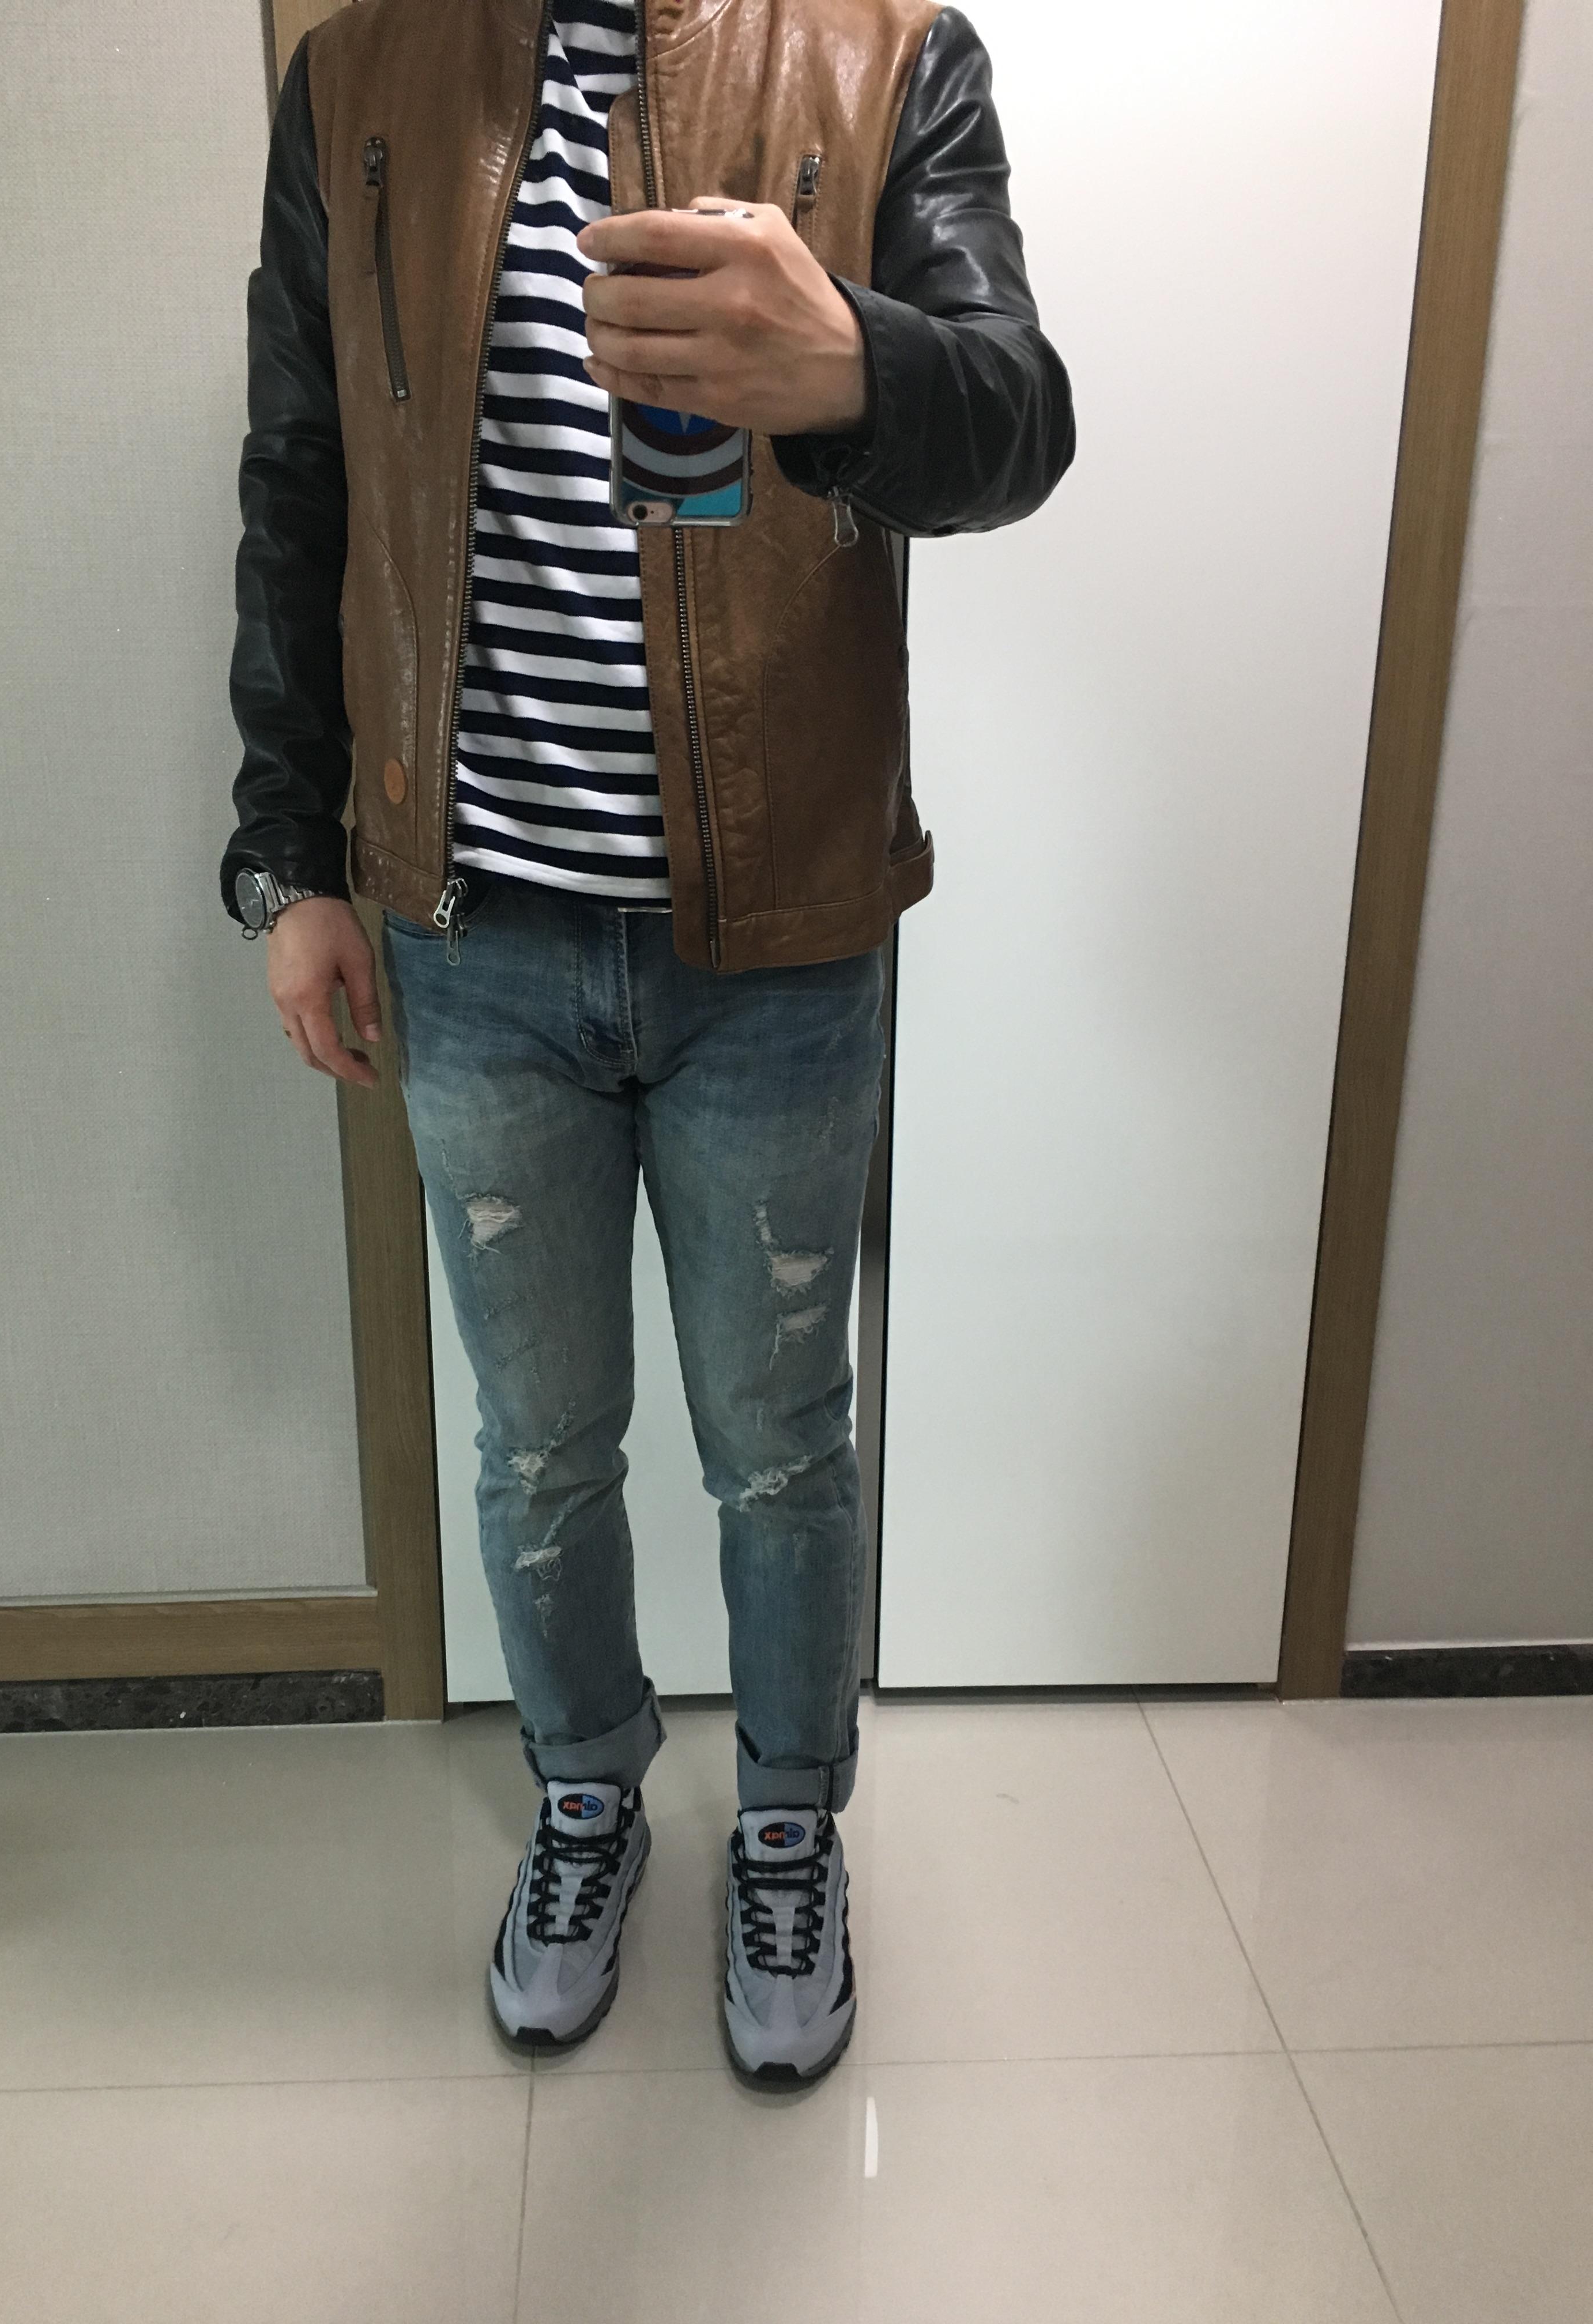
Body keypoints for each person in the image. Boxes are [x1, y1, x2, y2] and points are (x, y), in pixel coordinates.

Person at [220, 0, 1072, 2083]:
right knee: (539, 1438)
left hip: (781, 941)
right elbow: (302, 478)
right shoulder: (359, 80)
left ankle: (787, 1823)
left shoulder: (890, 55)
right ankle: (587, 1790)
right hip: (473, 931)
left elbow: (1023, 422)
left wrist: (857, 367)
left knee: (782, 1438)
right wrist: (287, 857)